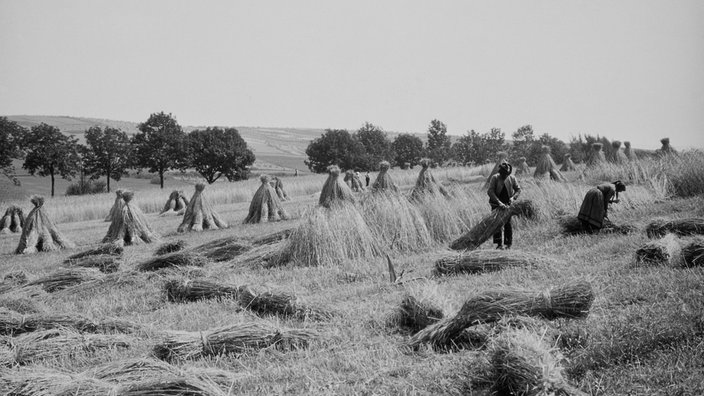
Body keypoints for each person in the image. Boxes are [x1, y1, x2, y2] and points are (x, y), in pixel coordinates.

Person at [487, 162, 521, 249]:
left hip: (507, 204)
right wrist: (499, 203)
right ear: (500, 172)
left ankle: (508, 243)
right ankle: (498, 244)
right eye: (503, 174)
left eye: (506, 174)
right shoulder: (495, 178)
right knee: (497, 223)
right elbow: (490, 191)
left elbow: (518, 190)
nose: (504, 176)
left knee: (507, 223)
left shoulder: (512, 178)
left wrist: (513, 198)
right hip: (496, 203)